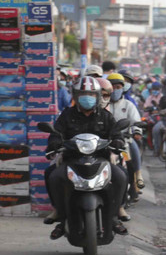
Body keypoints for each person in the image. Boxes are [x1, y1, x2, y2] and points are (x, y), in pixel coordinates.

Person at [43, 75, 129, 239]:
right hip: (72, 159)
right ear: (75, 96)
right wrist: (54, 144)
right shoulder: (67, 115)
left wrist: (118, 141)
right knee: (52, 175)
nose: (87, 98)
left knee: (121, 176)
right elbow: (56, 133)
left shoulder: (105, 116)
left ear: (97, 96)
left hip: (101, 159)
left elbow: (116, 133)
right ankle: (60, 214)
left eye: (90, 95)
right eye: (83, 94)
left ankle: (114, 216)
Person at [105, 72, 143, 195]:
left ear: (123, 88)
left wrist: (137, 131)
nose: (115, 90)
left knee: (129, 160)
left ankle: (134, 184)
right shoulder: (102, 104)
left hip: (124, 141)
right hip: (104, 140)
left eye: (118, 87)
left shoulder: (128, 105)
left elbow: (136, 121)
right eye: (113, 87)